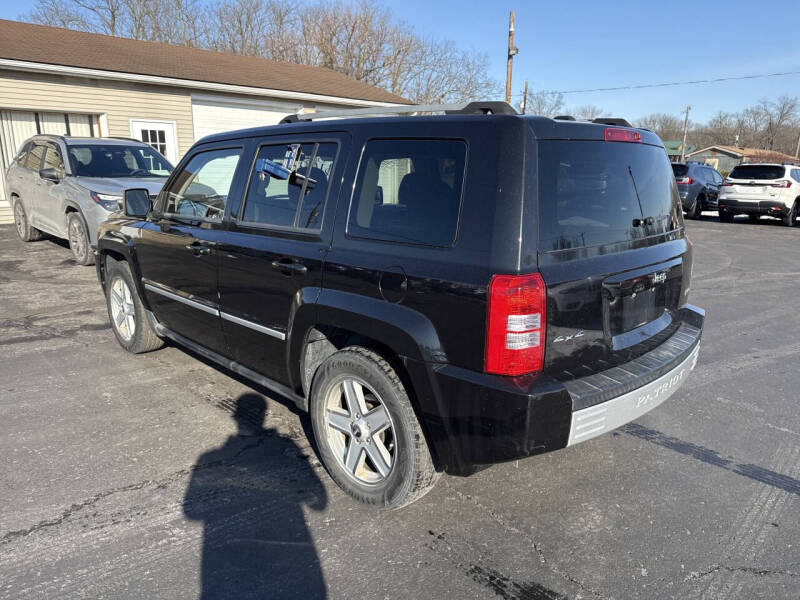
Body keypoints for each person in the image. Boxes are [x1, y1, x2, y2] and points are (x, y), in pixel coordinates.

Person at [184, 393, 327, 599]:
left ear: (235, 417)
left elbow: (191, 512)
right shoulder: (286, 445)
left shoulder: (208, 458)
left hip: (231, 565)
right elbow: (319, 502)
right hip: (295, 553)